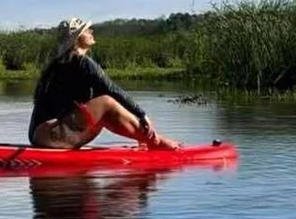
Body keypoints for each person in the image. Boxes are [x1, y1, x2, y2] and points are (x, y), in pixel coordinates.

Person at [28, 17, 181, 151]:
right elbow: (112, 89)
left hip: (40, 135)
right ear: (77, 38)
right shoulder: (80, 62)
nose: (91, 31)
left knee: (101, 102)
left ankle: (144, 138)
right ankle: (155, 141)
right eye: (86, 30)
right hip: (50, 134)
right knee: (106, 102)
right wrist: (142, 115)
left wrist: (134, 128)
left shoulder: (62, 63)